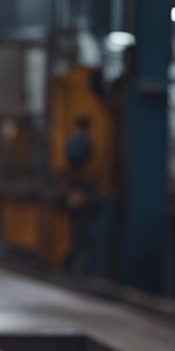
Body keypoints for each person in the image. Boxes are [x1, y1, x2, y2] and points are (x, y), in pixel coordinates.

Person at [63, 115, 104, 276]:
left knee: (78, 233)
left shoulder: (77, 142)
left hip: (80, 191)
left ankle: (78, 268)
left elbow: (73, 159)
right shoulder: (89, 142)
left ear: (77, 126)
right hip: (89, 191)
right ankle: (86, 269)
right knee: (86, 234)